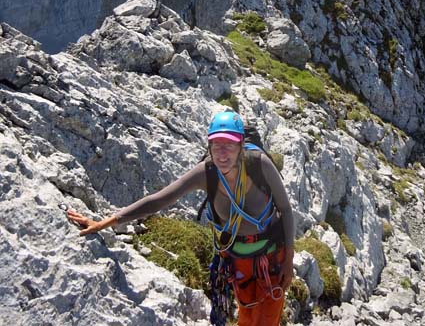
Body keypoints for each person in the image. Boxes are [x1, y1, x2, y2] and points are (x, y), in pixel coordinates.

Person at [67, 109, 294, 326]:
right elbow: (158, 200)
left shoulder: (259, 164)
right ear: (209, 146)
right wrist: (106, 222)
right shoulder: (206, 172)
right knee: (247, 311)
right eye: (216, 146)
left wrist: (289, 260)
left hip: (272, 252)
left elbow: (285, 208)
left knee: (267, 318)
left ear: (241, 146)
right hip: (237, 255)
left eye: (229, 146)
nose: (222, 154)